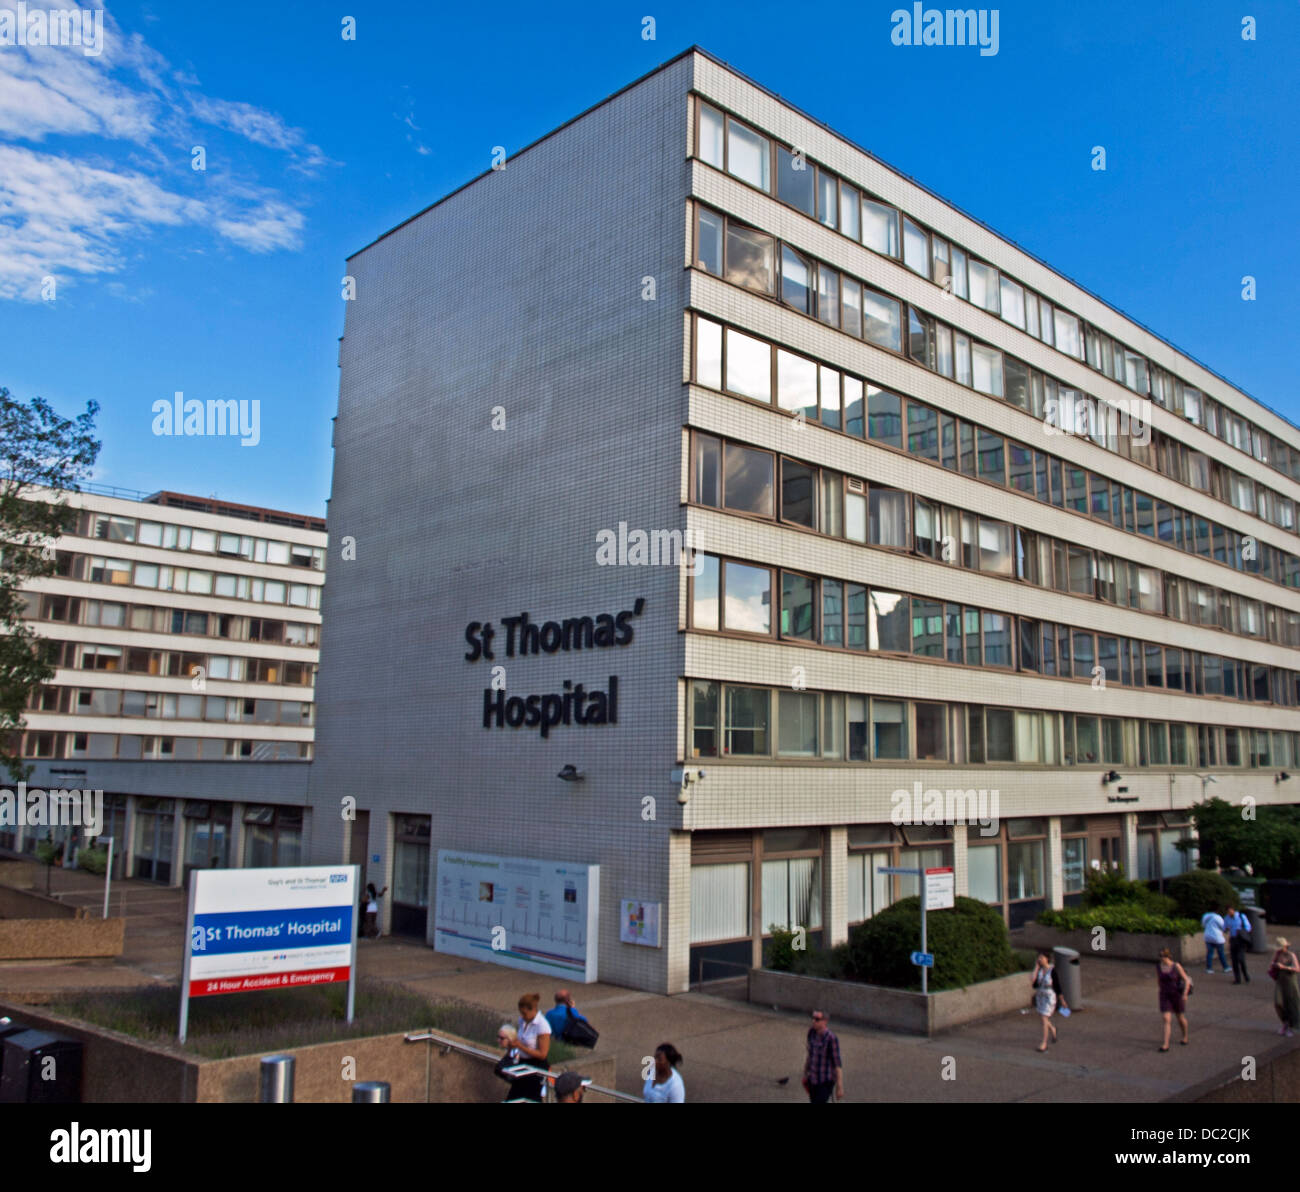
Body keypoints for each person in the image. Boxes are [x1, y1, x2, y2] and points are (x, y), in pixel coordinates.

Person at [506, 992, 551, 1102]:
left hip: (536, 1065)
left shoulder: (542, 1026)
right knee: (514, 1096)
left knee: (532, 1097)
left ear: (533, 1010)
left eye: (525, 1013)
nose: (522, 1016)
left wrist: (520, 1047)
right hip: (523, 1062)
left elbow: (542, 1054)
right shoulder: (522, 1021)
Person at [1156, 947, 1192, 1051]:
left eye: (1162, 956)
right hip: (1165, 994)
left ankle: (1185, 1036)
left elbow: (1187, 980)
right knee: (1166, 1018)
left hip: (1176, 994)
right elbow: (1159, 980)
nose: (1161, 958)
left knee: (1180, 1017)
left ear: (1167, 956)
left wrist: (1185, 994)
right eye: (1160, 956)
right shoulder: (1159, 967)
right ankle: (1165, 1044)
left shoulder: (1176, 966)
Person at [802, 1010, 843, 1103]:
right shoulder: (811, 1033)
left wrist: (839, 1087)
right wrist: (805, 1072)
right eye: (813, 1018)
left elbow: (837, 1063)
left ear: (825, 1021)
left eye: (817, 1019)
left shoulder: (831, 1038)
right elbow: (810, 1054)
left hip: (825, 1080)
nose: (813, 1021)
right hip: (813, 1079)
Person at [1030, 951, 1066, 1051]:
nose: (1040, 959)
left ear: (1047, 959)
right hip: (1040, 996)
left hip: (1049, 997)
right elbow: (1033, 983)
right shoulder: (1040, 971)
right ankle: (1053, 1029)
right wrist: (1036, 968)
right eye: (1039, 958)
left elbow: (1057, 986)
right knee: (1043, 1018)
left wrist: (1062, 1000)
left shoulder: (1052, 970)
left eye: (1042, 957)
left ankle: (1044, 1043)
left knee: (1043, 1018)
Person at [1270, 937, 1300, 1037]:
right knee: (1278, 1002)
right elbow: (1271, 964)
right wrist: (1274, 965)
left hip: (1290, 981)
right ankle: (1285, 1022)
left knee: (1291, 1003)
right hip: (1280, 980)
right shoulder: (1277, 954)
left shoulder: (1291, 955)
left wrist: (1284, 967)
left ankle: (1291, 1026)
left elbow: (1297, 969)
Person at [1223, 904, 1252, 985]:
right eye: (1228, 912)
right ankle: (1237, 978)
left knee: (1241, 958)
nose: (1229, 913)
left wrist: (1241, 932)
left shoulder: (1241, 916)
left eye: (1230, 911)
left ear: (1233, 910)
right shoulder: (1227, 918)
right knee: (1234, 960)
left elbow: (1248, 927)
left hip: (1240, 939)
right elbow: (1224, 928)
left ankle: (1245, 974)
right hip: (1233, 939)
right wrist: (1226, 929)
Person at [1201, 906, 1230, 974]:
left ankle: (1209, 968)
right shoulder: (1217, 917)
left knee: (1209, 953)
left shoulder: (1205, 916)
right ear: (1217, 910)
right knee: (1221, 953)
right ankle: (1225, 967)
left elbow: (1203, 925)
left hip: (1208, 937)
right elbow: (1223, 927)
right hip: (1217, 937)